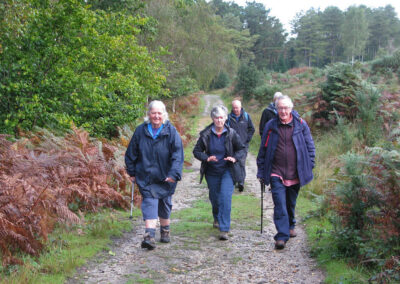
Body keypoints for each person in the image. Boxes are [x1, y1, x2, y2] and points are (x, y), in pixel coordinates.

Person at [256, 95, 315, 250]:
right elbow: (263, 149)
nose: (283, 111)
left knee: (290, 202)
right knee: (280, 203)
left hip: (296, 172)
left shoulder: (301, 125)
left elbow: (310, 146)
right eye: (280, 108)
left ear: (291, 108)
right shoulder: (271, 125)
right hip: (276, 172)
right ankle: (281, 236)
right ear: (276, 109)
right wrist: (261, 171)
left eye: (286, 108)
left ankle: (291, 224)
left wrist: (310, 165)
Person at [125, 100, 184, 250]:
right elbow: (131, 152)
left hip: (166, 176)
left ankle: (165, 230)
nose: (156, 116)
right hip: (146, 176)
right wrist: (131, 172)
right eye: (153, 113)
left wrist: (173, 174)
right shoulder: (141, 131)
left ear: (164, 114)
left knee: (164, 203)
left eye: (159, 113)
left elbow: (178, 155)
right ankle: (149, 235)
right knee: (149, 202)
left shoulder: (171, 132)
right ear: (149, 114)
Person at [193, 105, 246, 241]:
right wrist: (206, 158)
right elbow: (197, 151)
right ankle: (216, 217)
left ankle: (224, 228)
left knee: (225, 197)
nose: (219, 120)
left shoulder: (232, 133)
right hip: (212, 171)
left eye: (221, 117)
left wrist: (234, 158)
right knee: (215, 198)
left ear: (226, 118)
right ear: (212, 119)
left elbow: (241, 149)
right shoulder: (206, 134)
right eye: (216, 117)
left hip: (228, 170)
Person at [227, 100, 255, 192]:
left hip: (243, 145)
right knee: (234, 162)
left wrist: (247, 139)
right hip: (232, 145)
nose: (235, 109)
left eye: (237, 107)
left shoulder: (246, 116)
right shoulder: (229, 118)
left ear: (240, 107)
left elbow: (252, 129)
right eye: (234, 107)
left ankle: (241, 182)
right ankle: (235, 180)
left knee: (241, 162)